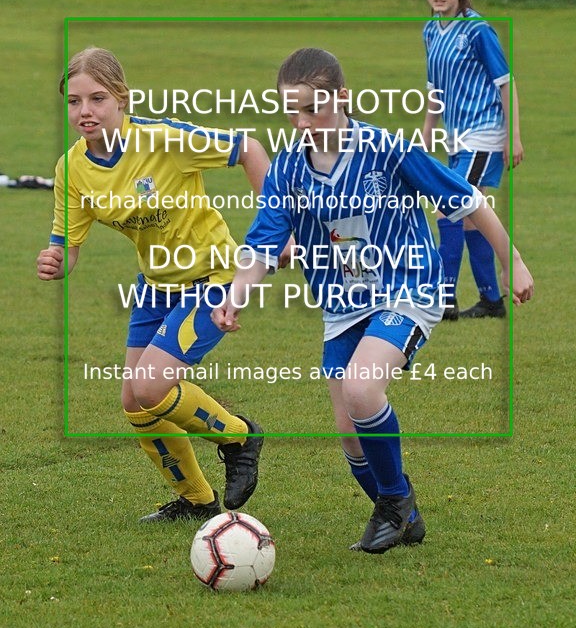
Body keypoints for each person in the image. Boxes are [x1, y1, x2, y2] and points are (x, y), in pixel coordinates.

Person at [211, 47, 534, 553]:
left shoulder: (387, 150)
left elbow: (467, 199)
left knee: (362, 391)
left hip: (408, 285)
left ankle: (393, 508)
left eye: (312, 108)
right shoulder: (289, 171)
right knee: (349, 430)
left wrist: (511, 260)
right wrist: (236, 294)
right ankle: (401, 508)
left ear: (343, 98)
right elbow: (262, 243)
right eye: (291, 111)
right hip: (342, 304)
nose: (301, 123)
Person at [37, 47, 269, 523]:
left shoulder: (162, 140)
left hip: (213, 275)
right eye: (75, 101)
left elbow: (248, 148)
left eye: (97, 98)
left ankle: (239, 436)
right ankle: (196, 500)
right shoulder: (72, 169)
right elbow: (69, 246)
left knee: (150, 386)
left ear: (122, 99)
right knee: (134, 402)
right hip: (156, 285)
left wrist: (274, 223)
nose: (85, 111)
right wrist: (57, 260)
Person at [422, 0, 524, 320]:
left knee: (451, 207)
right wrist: (429, 130)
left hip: (483, 134)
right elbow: (436, 87)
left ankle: (443, 299)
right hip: (456, 138)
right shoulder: (431, 30)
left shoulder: (478, 30)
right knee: (469, 216)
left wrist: (512, 136)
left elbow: (505, 83)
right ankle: (491, 300)